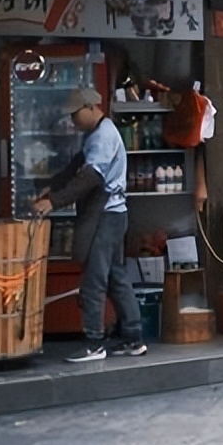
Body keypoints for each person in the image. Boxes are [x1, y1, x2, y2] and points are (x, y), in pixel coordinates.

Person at [31, 87, 146, 361]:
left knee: (94, 281)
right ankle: (133, 338)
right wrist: (50, 187)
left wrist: (54, 201)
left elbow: (90, 178)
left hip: (106, 216)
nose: (73, 121)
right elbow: (75, 168)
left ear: (92, 107)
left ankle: (94, 343)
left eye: (76, 114)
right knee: (115, 278)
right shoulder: (96, 134)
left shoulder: (103, 136)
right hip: (115, 215)